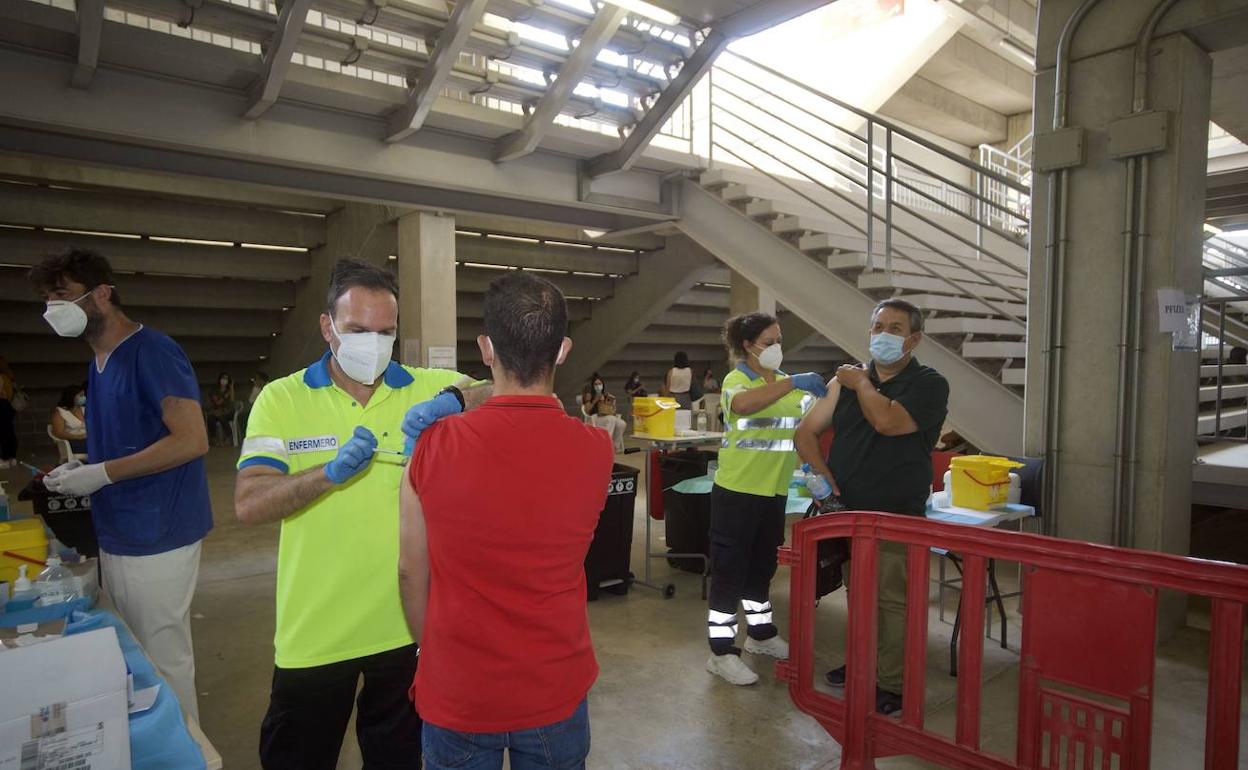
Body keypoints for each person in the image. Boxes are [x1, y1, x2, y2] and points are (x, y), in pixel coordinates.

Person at [234, 258, 492, 770]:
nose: (372, 343)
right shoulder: (282, 399)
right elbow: (249, 502)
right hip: (314, 635)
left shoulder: (422, 385)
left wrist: (454, 399)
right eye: (358, 330)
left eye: (386, 332)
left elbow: (507, 390)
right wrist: (325, 475)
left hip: (405, 627)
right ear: (328, 326)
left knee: (399, 760)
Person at [399, 272, 613, 770]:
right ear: (562, 350)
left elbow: (411, 571)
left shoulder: (433, 446)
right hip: (554, 682)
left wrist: (432, 651)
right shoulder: (596, 450)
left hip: (460, 683)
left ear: (485, 348)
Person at [29, 248, 213, 719]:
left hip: (159, 531)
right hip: (120, 529)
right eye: (48, 298)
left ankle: (186, 750)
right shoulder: (98, 363)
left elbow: (191, 440)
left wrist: (103, 473)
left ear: (103, 294)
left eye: (63, 295)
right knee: (136, 651)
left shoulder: (151, 351)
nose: (54, 308)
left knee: (163, 655)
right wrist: (85, 466)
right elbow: (131, 441)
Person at [797, 298, 949, 715]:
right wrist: (821, 475)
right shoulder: (841, 385)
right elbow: (806, 431)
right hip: (845, 511)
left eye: (895, 328)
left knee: (892, 600)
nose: (883, 334)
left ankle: (894, 683)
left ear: (914, 339)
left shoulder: (928, 385)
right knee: (859, 592)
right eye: (878, 325)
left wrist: (862, 383)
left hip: (895, 512)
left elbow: (888, 422)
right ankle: (865, 664)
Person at [705, 312, 829, 686]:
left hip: (773, 494)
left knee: (761, 570)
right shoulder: (737, 380)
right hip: (737, 492)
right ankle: (721, 652)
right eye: (770, 341)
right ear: (748, 345)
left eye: (779, 340)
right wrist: (794, 382)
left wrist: (818, 473)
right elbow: (742, 406)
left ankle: (760, 635)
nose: (777, 347)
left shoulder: (784, 385)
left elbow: (803, 432)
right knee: (729, 572)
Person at [581, 372, 626, 451]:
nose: (598, 386)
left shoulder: (606, 395)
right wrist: (595, 400)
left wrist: (613, 403)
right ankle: (605, 444)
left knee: (622, 423)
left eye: (600, 383)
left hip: (607, 416)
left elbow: (612, 411)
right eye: (596, 384)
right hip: (595, 418)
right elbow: (587, 411)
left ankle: (614, 447)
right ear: (593, 385)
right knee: (611, 419)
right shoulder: (590, 395)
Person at [50, 384, 89, 455]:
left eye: (83, 395)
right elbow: (59, 433)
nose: (83, 397)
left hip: (88, 439)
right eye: (80, 395)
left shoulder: (85, 409)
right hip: (72, 442)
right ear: (71, 396)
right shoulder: (60, 412)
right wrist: (79, 437)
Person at [206, 372, 236, 446]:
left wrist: (231, 389)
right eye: (223, 378)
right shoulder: (214, 390)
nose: (224, 380)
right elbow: (217, 403)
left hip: (227, 411)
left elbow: (232, 400)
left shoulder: (229, 390)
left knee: (222, 417)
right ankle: (214, 439)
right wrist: (225, 396)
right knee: (210, 418)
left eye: (226, 378)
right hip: (216, 411)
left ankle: (228, 438)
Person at [0, 356, 18, 468]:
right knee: (9, 431)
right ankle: (12, 457)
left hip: (1, 405)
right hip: (8, 405)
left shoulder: (1, 377)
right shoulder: (9, 377)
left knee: (3, 433)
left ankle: (5, 458)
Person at [240, 370, 269, 435]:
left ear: (261, 380)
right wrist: (255, 388)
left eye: (256, 379)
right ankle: (248, 436)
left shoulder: (269, 387)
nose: (255, 381)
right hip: (258, 410)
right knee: (242, 417)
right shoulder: (257, 388)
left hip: (268, 411)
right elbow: (251, 401)